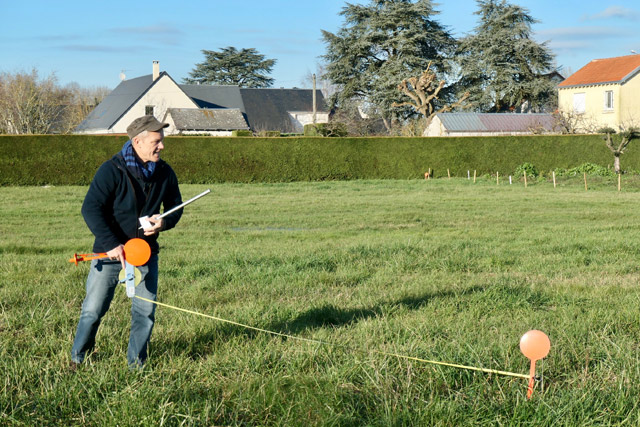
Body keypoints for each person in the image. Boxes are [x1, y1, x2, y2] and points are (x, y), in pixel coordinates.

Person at [71, 115, 183, 369]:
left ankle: (137, 365)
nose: (162, 147)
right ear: (138, 141)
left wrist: (163, 223)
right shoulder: (111, 170)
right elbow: (91, 209)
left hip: (144, 254)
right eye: (156, 141)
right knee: (93, 310)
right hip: (109, 255)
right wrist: (111, 243)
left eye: (162, 141)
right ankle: (78, 358)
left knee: (145, 312)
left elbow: (175, 207)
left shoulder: (164, 172)